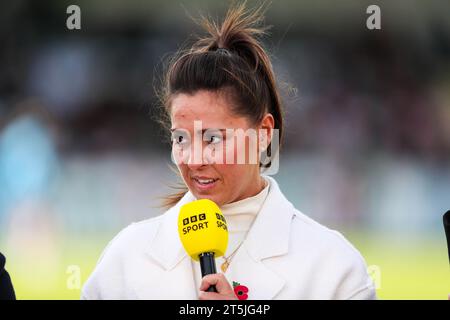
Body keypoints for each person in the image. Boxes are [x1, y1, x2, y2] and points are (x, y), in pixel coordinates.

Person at [82, 2, 376, 300]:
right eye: (181, 139)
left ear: (263, 133)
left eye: (213, 139)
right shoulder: (126, 258)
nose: (194, 160)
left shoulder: (334, 269)